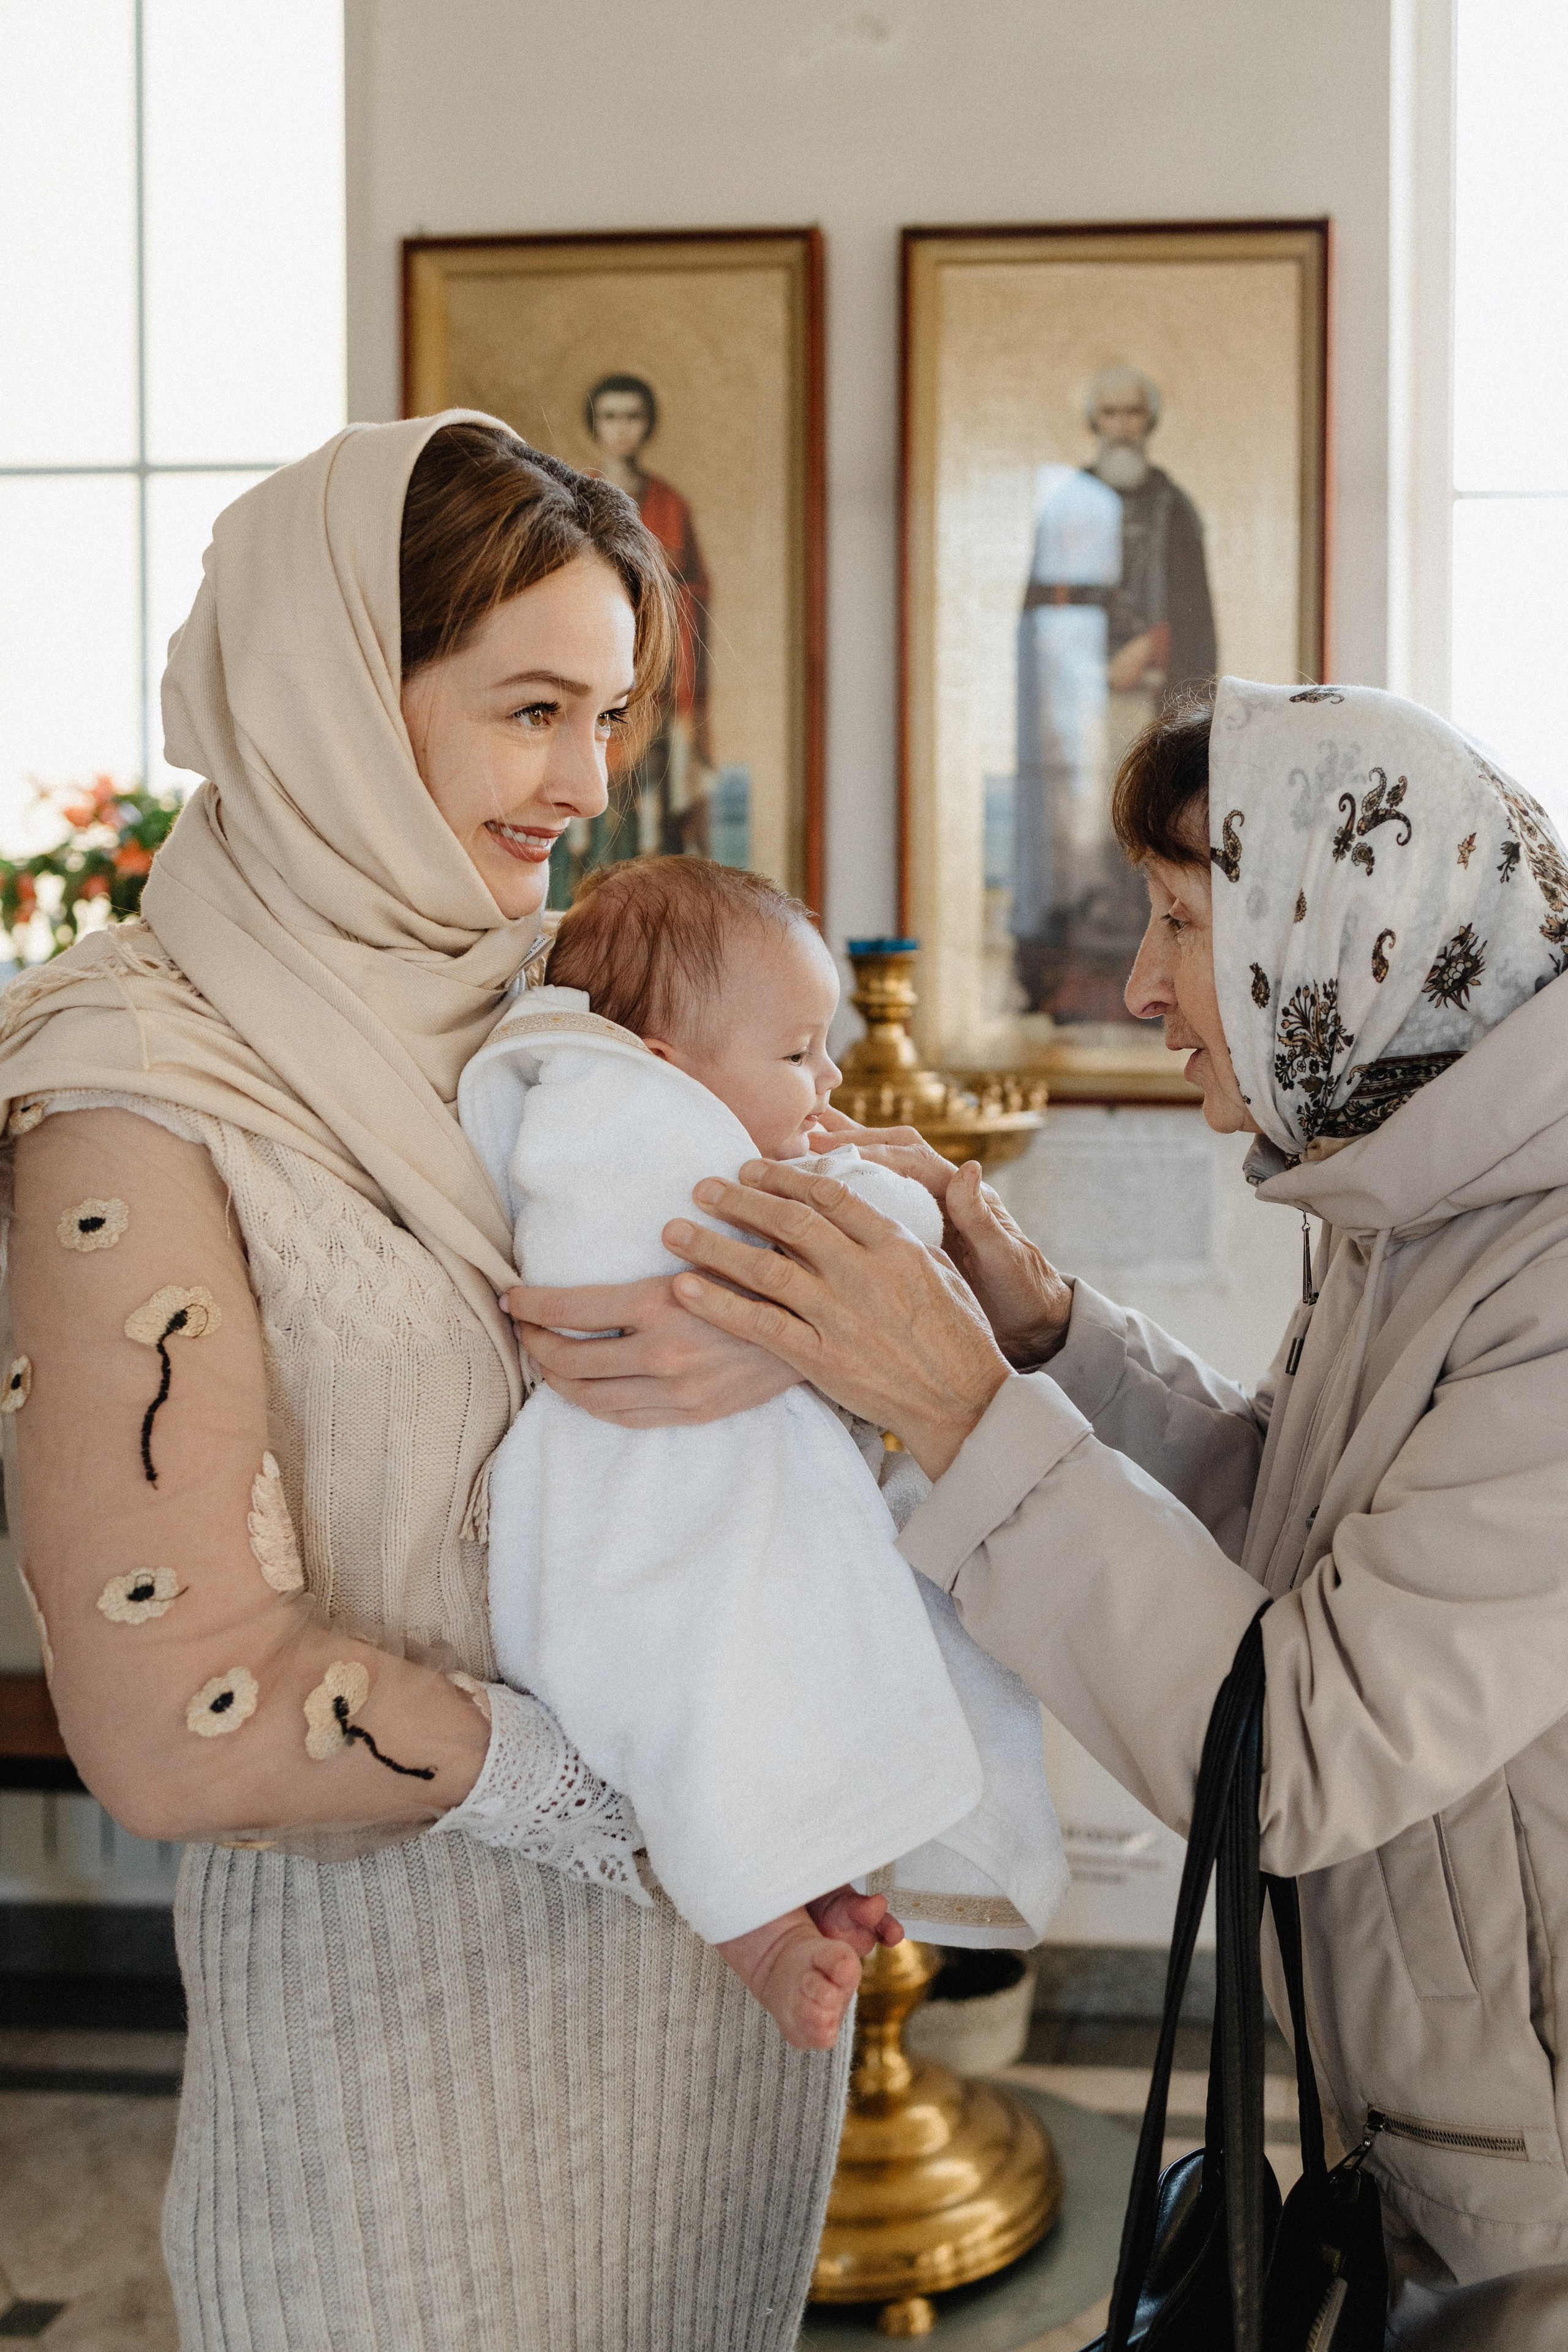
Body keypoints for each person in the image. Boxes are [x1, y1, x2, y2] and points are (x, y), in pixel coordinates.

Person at [0, 413, 878, 2352]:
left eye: (610, 711)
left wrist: (763, 1321)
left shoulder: (582, 992)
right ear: (333, 694)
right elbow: (174, 1709)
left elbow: (838, 1301)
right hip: (395, 2066)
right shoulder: (129, 1085)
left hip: (712, 2031)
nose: (586, 780)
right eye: (528, 709)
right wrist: (637, 1800)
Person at [549, 679, 1568, 2347]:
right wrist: (1039, 1332)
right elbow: (1295, 1529)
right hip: (1423, 2098)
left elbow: (1303, 1747)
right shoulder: (1409, 1193)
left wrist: (958, 1406)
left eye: (1182, 921)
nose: (1141, 981)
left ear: (1349, 932)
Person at [458, 855, 1064, 2049]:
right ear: (666, 1071)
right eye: (796, 1054)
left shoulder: (555, 1130)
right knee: (740, 1693)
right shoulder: (673, 1157)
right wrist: (897, 1191)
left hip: (624, 1506)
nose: (827, 1080)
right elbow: (887, 1246)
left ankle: (795, 1890)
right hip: (663, 1492)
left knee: (721, 1710)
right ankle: (770, 1917)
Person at [1013, 366, 1218, 1020]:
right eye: (1110, 415)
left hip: (1151, 708)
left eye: (1134, 414)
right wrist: (1089, 658)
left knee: (1142, 837)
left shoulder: (1173, 507)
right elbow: (1043, 612)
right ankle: (1072, 978)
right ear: (1093, 423)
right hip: (1077, 711)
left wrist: (1154, 647)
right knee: (1077, 837)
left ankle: (1148, 985)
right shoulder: (1067, 506)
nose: (1122, 427)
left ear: (1149, 422)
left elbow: (1195, 618)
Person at [557, 372, 712, 892]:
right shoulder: (573, 496)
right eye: (611, 417)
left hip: (659, 685)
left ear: (648, 426)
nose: (622, 429)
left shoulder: (670, 504)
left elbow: (696, 592)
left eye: (632, 417)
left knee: (652, 813)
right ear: (595, 426)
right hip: (590, 680)